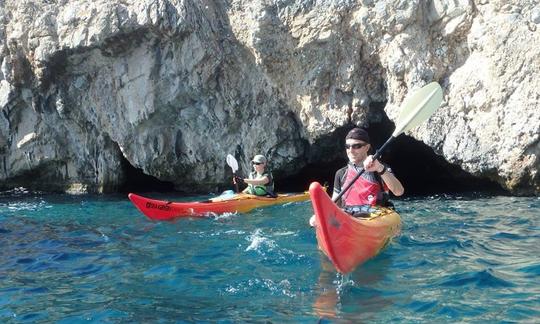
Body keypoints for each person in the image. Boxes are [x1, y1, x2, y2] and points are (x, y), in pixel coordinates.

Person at [310, 127, 404, 226]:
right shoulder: (341, 174)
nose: (351, 150)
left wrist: (379, 168)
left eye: (356, 146)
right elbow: (335, 204)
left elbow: (399, 192)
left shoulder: (381, 168)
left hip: (376, 217)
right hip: (350, 217)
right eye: (347, 146)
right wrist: (321, 215)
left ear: (367, 147)